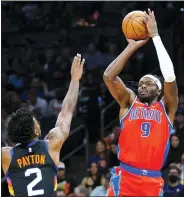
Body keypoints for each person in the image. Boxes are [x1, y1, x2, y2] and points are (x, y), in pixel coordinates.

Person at [103, 9, 178, 196]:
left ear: (159, 90)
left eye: (148, 84)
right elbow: (108, 76)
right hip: (126, 176)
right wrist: (131, 47)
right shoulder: (129, 102)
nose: (142, 87)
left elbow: (169, 75)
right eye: (141, 84)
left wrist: (156, 37)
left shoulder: (167, 107)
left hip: (152, 180)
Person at [1, 54, 85, 197]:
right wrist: (75, 80)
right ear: (36, 130)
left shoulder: (6, 155)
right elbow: (67, 111)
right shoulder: (51, 145)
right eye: (36, 122)